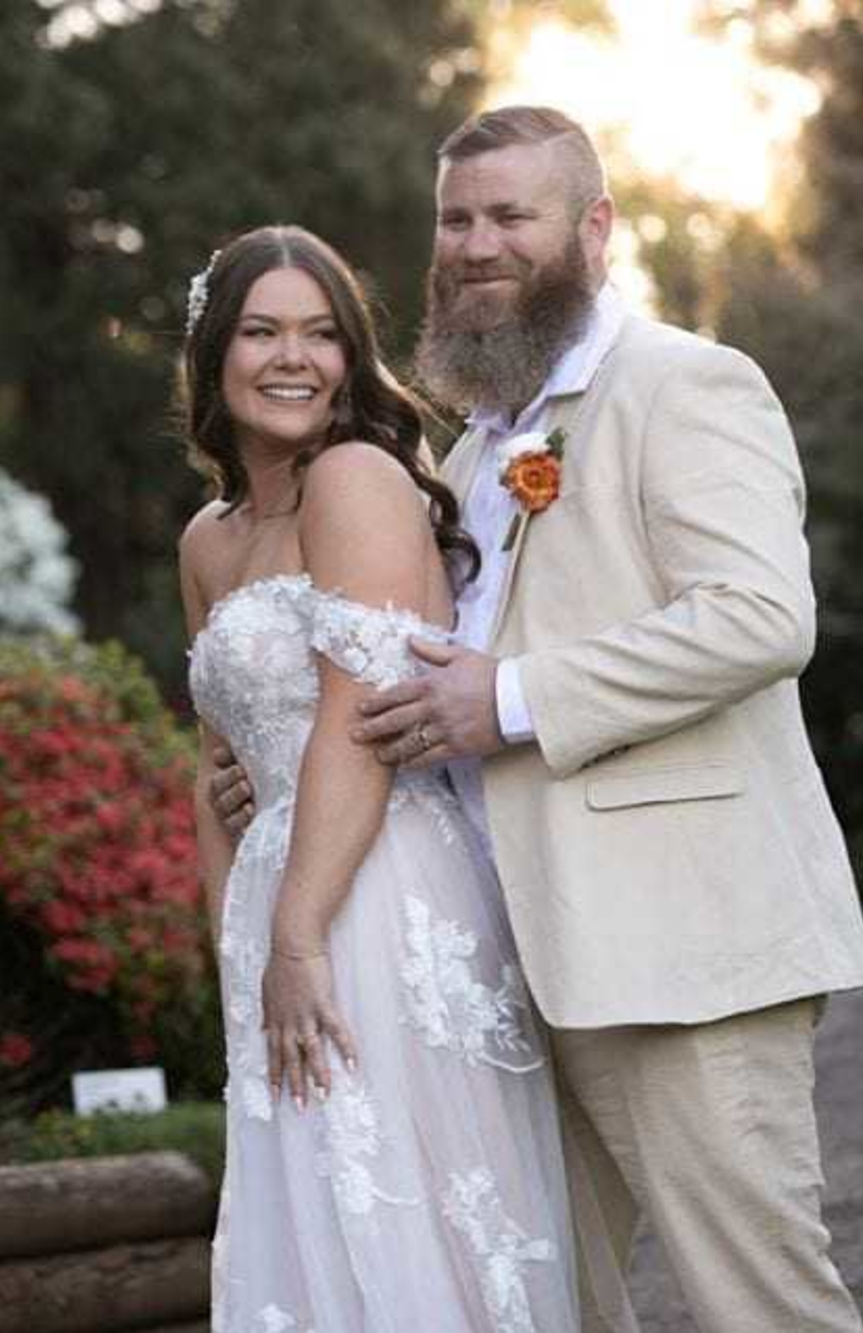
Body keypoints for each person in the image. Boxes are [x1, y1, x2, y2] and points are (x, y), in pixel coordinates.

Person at [212, 106, 863, 1331]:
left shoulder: (684, 384)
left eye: (509, 215)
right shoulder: (465, 459)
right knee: (547, 1303)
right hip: (506, 964)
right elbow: (403, 683)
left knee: (756, 1302)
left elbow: (760, 617)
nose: (473, 244)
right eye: (454, 219)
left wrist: (508, 697)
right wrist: (286, 763)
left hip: (682, 953)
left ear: (594, 228)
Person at [179, 223, 578, 1330]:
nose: (291, 358)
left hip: (375, 887)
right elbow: (212, 758)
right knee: (306, 1212)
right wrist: (239, 945)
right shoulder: (205, 540)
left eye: (319, 334)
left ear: (352, 359)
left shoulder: (352, 477)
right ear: (214, 354)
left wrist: (298, 934)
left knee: (402, 1208)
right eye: (260, 332)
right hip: (277, 900)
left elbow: (357, 714)